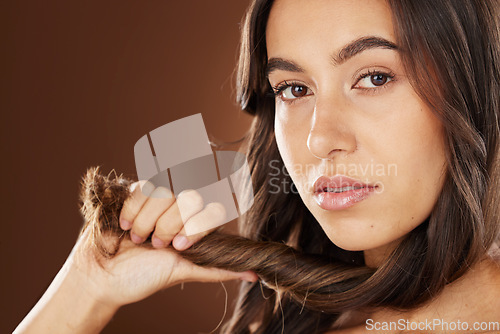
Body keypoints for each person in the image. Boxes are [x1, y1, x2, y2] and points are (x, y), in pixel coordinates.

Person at [15, 0, 500, 333]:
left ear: (473, 90)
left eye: (374, 77)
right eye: (294, 89)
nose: (319, 138)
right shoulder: (289, 319)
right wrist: (88, 287)